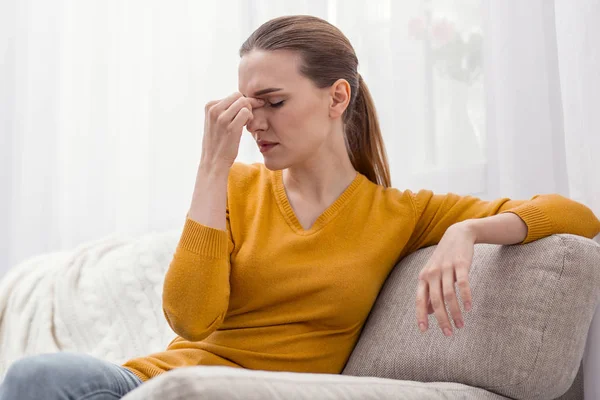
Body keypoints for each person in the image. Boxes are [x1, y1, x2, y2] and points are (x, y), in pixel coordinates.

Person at [1, 14, 599, 400]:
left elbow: (578, 217)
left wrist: (470, 229)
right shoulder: (234, 185)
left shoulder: (400, 213)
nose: (254, 122)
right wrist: (211, 169)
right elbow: (189, 319)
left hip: (248, 391)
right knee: (37, 376)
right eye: (246, 104)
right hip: (156, 383)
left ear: (337, 96)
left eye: (274, 101)